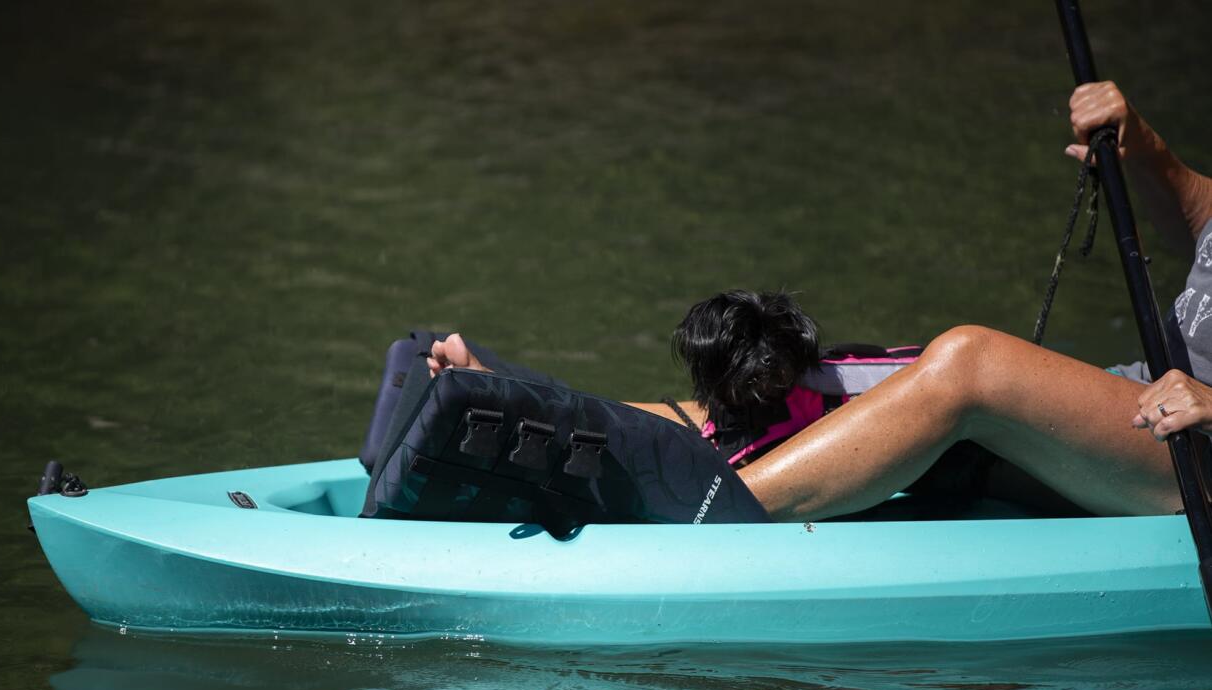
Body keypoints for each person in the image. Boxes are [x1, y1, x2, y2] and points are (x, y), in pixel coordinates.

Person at [428, 81, 1212, 522]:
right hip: (1128, 407)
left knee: (971, 365)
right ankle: (547, 412)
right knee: (805, 387)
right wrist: (1144, 146)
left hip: (1191, 455)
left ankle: (703, 508)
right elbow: (1203, 219)